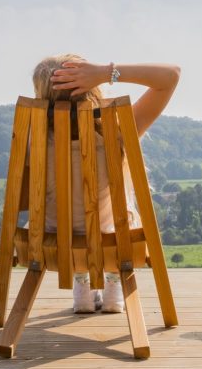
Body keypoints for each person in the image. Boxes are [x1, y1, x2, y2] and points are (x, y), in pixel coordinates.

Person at [31, 54, 180, 314]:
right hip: (115, 246)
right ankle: (113, 284)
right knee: (115, 215)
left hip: (52, 244)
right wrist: (106, 72)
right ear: (91, 88)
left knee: (67, 214)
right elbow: (171, 76)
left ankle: (82, 285)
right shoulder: (118, 129)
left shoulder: (34, 136)